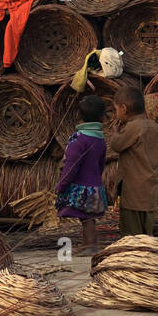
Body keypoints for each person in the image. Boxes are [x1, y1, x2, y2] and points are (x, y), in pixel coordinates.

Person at [106, 85, 158, 236]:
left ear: (124, 109)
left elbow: (117, 145)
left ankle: (134, 256)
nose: (115, 113)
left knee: (131, 234)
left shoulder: (133, 127)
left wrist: (115, 133)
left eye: (116, 109)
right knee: (147, 233)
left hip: (133, 192)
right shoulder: (156, 127)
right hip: (150, 189)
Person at [56, 95, 109, 252]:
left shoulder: (79, 140)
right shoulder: (100, 139)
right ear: (101, 117)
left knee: (86, 218)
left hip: (81, 187)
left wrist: (62, 184)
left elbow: (71, 165)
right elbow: (101, 163)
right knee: (87, 217)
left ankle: (91, 245)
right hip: (94, 185)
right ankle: (87, 244)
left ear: (79, 116)